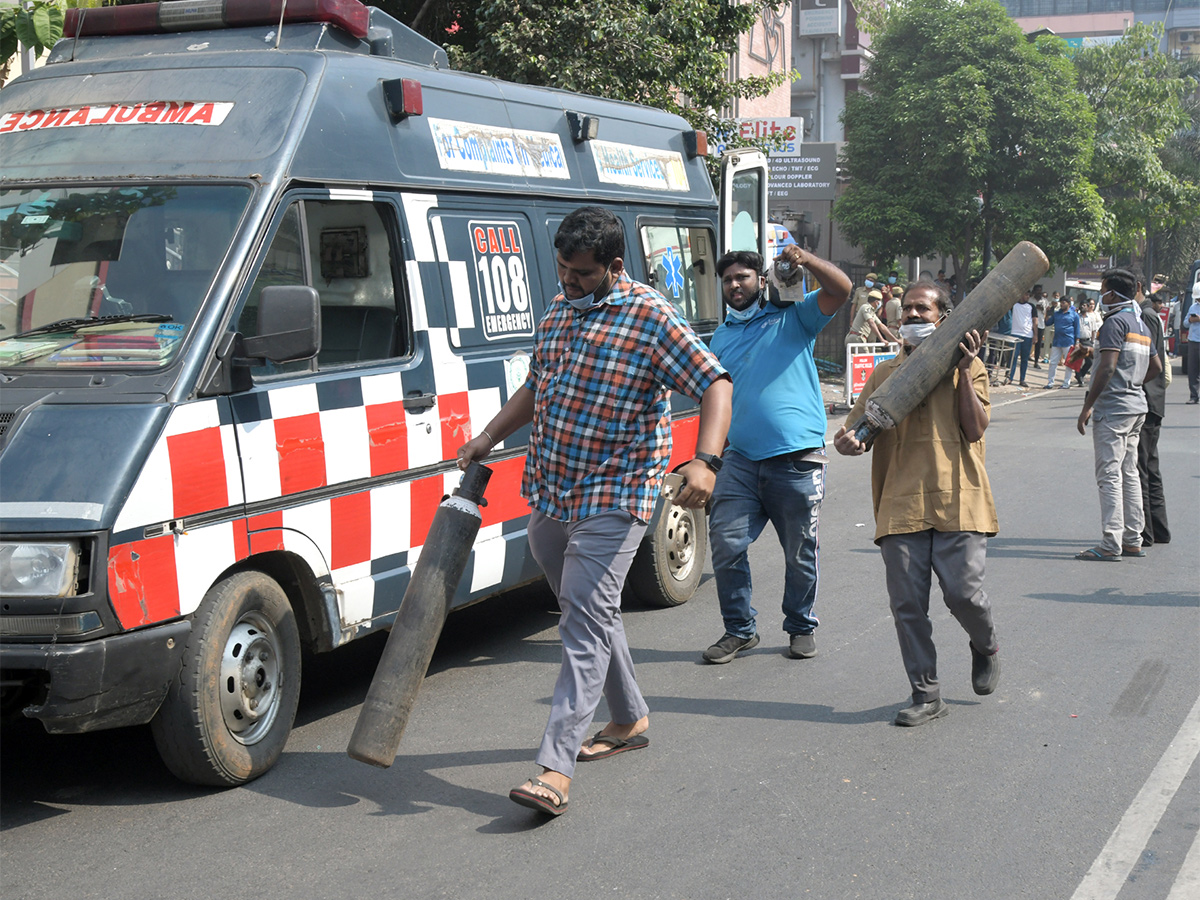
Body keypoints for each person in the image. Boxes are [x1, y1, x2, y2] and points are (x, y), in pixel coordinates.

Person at [456, 206, 732, 815]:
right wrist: (488, 437)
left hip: (618, 490)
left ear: (614, 265)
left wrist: (706, 460)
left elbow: (715, 381)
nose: (569, 281)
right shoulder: (559, 310)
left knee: (581, 619)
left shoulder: (649, 315)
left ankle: (553, 768)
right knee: (590, 607)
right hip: (554, 490)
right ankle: (629, 717)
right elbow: (537, 385)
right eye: (562, 269)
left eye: (581, 273)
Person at [833, 282, 1000, 726]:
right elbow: (853, 433)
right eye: (906, 309)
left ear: (943, 317)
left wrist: (963, 371)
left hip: (959, 499)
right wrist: (847, 442)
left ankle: (985, 645)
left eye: (922, 309)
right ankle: (926, 694)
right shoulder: (885, 375)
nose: (911, 316)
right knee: (907, 605)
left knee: (965, 595)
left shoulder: (972, 368)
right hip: (900, 502)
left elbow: (975, 429)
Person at [702, 246, 852, 664]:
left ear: (761, 281)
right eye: (728, 279)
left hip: (797, 459)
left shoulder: (794, 317)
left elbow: (841, 289)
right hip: (740, 460)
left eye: (743, 277)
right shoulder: (721, 337)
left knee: (799, 549)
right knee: (726, 544)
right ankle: (739, 630)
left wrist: (808, 261)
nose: (735, 285)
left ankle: (801, 625)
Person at [1075, 268, 1161, 561]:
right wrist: (1133, 381)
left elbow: (1107, 367)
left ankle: (1111, 543)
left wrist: (1088, 405)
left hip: (1113, 410)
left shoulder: (1114, 322)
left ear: (1112, 294)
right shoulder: (1140, 324)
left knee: (1109, 475)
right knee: (1129, 474)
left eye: (1102, 290)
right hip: (1136, 408)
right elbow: (1157, 367)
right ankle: (1132, 538)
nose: (1100, 296)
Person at [1137, 287, 1170, 547]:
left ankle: (1146, 531)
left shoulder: (1145, 316)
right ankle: (1158, 530)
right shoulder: (1150, 314)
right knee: (1150, 468)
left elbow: (1151, 361)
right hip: (1154, 398)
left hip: (1148, 398)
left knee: (1143, 469)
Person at [1045, 294, 1081, 389]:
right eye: (1060, 303)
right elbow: (1048, 323)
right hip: (1057, 341)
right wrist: (1047, 313)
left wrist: (1077, 342)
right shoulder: (1056, 314)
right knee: (1053, 362)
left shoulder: (1074, 315)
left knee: (1068, 363)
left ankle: (1066, 383)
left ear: (1068, 304)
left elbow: (1077, 329)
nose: (1061, 304)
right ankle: (1050, 382)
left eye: (1063, 303)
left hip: (1068, 341)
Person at [1005, 291, 1036, 387]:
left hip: (1027, 335)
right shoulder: (1014, 305)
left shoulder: (1031, 306)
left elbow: (1035, 321)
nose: (1027, 296)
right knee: (1013, 357)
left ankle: (1022, 379)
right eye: (1025, 294)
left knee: (1024, 358)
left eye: (1028, 295)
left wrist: (1036, 335)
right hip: (1015, 333)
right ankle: (1010, 377)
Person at [1076, 298, 1103, 385]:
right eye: (1082, 305)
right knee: (1077, 361)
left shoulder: (1091, 318)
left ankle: (1081, 374)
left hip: (1087, 341)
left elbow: (1094, 330)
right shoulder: (1077, 317)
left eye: (1085, 305)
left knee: (1090, 361)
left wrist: (1092, 341)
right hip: (1078, 341)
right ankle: (1079, 378)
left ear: (1088, 307)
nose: (1083, 307)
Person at [1187, 284, 1200, 404]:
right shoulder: (1193, 307)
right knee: (1193, 370)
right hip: (1193, 341)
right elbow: (1185, 323)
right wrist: (1191, 320)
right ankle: (1194, 396)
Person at [1031, 284, 1048, 367]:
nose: (1039, 292)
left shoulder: (1044, 301)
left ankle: (1036, 362)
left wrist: (1042, 308)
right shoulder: (1031, 300)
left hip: (1041, 324)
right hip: (1030, 324)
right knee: (1028, 342)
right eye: (1037, 290)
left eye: (1040, 290)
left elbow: (1046, 311)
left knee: (1038, 344)